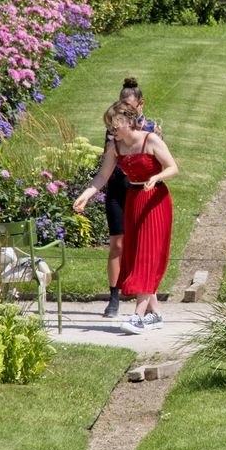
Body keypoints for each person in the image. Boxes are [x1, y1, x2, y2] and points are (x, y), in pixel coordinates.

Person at [74, 101, 177, 335]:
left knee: (146, 255)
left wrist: (156, 177)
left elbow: (173, 167)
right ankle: (155, 314)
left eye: (116, 125)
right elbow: (103, 175)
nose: (112, 130)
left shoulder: (150, 140)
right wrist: (86, 196)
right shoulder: (116, 146)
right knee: (135, 254)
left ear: (129, 121)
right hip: (133, 199)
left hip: (155, 200)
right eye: (110, 126)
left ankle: (138, 316)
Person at [85, 79, 158, 319]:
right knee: (117, 243)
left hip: (140, 189)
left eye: (127, 105)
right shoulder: (114, 130)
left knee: (143, 247)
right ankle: (114, 295)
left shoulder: (151, 128)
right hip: (118, 186)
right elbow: (107, 165)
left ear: (140, 104)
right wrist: (88, 193)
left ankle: (147, 304)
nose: (121, 109)